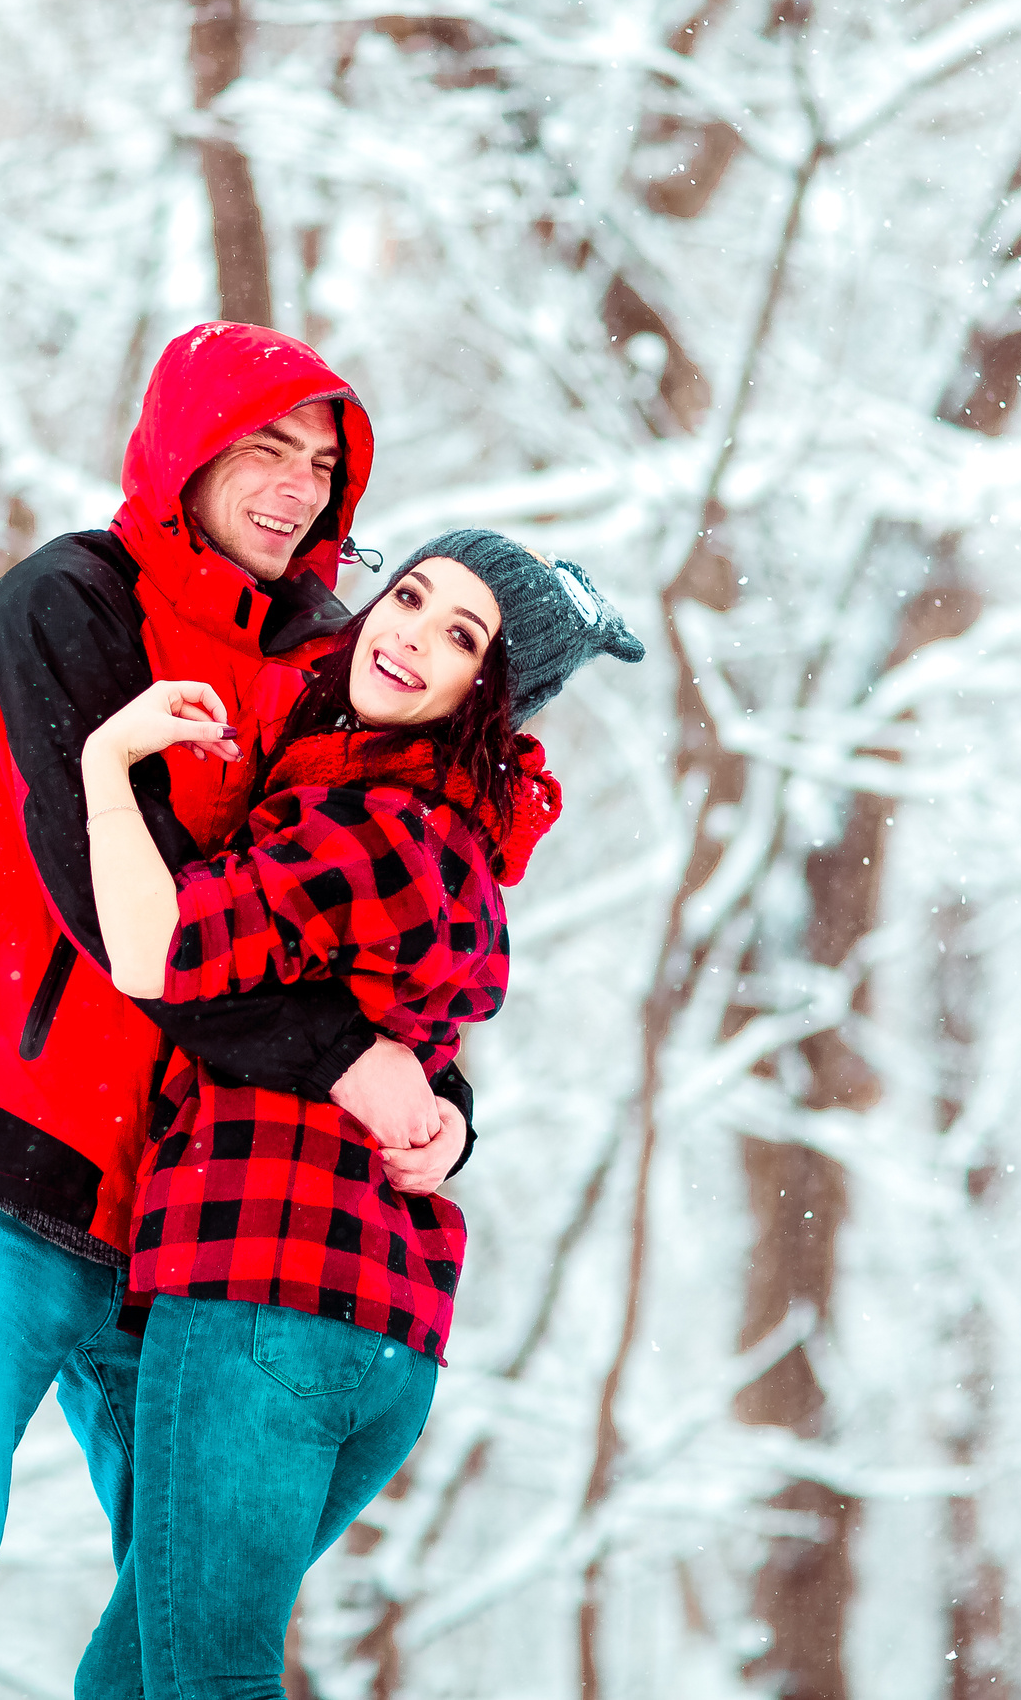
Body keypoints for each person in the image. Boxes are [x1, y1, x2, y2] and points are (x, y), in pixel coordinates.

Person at [0, 325, 472, 1700]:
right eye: (266, 447)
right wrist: (352, 1063)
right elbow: (136, 921)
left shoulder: (322, 657)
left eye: (324, 464)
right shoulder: (70, 605)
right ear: (188, 449)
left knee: (191, 1615)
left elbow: (361, 919)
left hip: (175, 1222)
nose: (296, 486)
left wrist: (439, 1101)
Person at [69, 529, 645, 1698]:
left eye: (460, 637)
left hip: (263, 1291)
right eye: (412, 596)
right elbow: (419, 1049)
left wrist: (103, 765)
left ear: (486, 692)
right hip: (365, 1323)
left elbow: (160, 944)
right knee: (131, 1685)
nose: (410, 634)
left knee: (195, 1685)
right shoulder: (437, 830)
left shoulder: (380, 824)